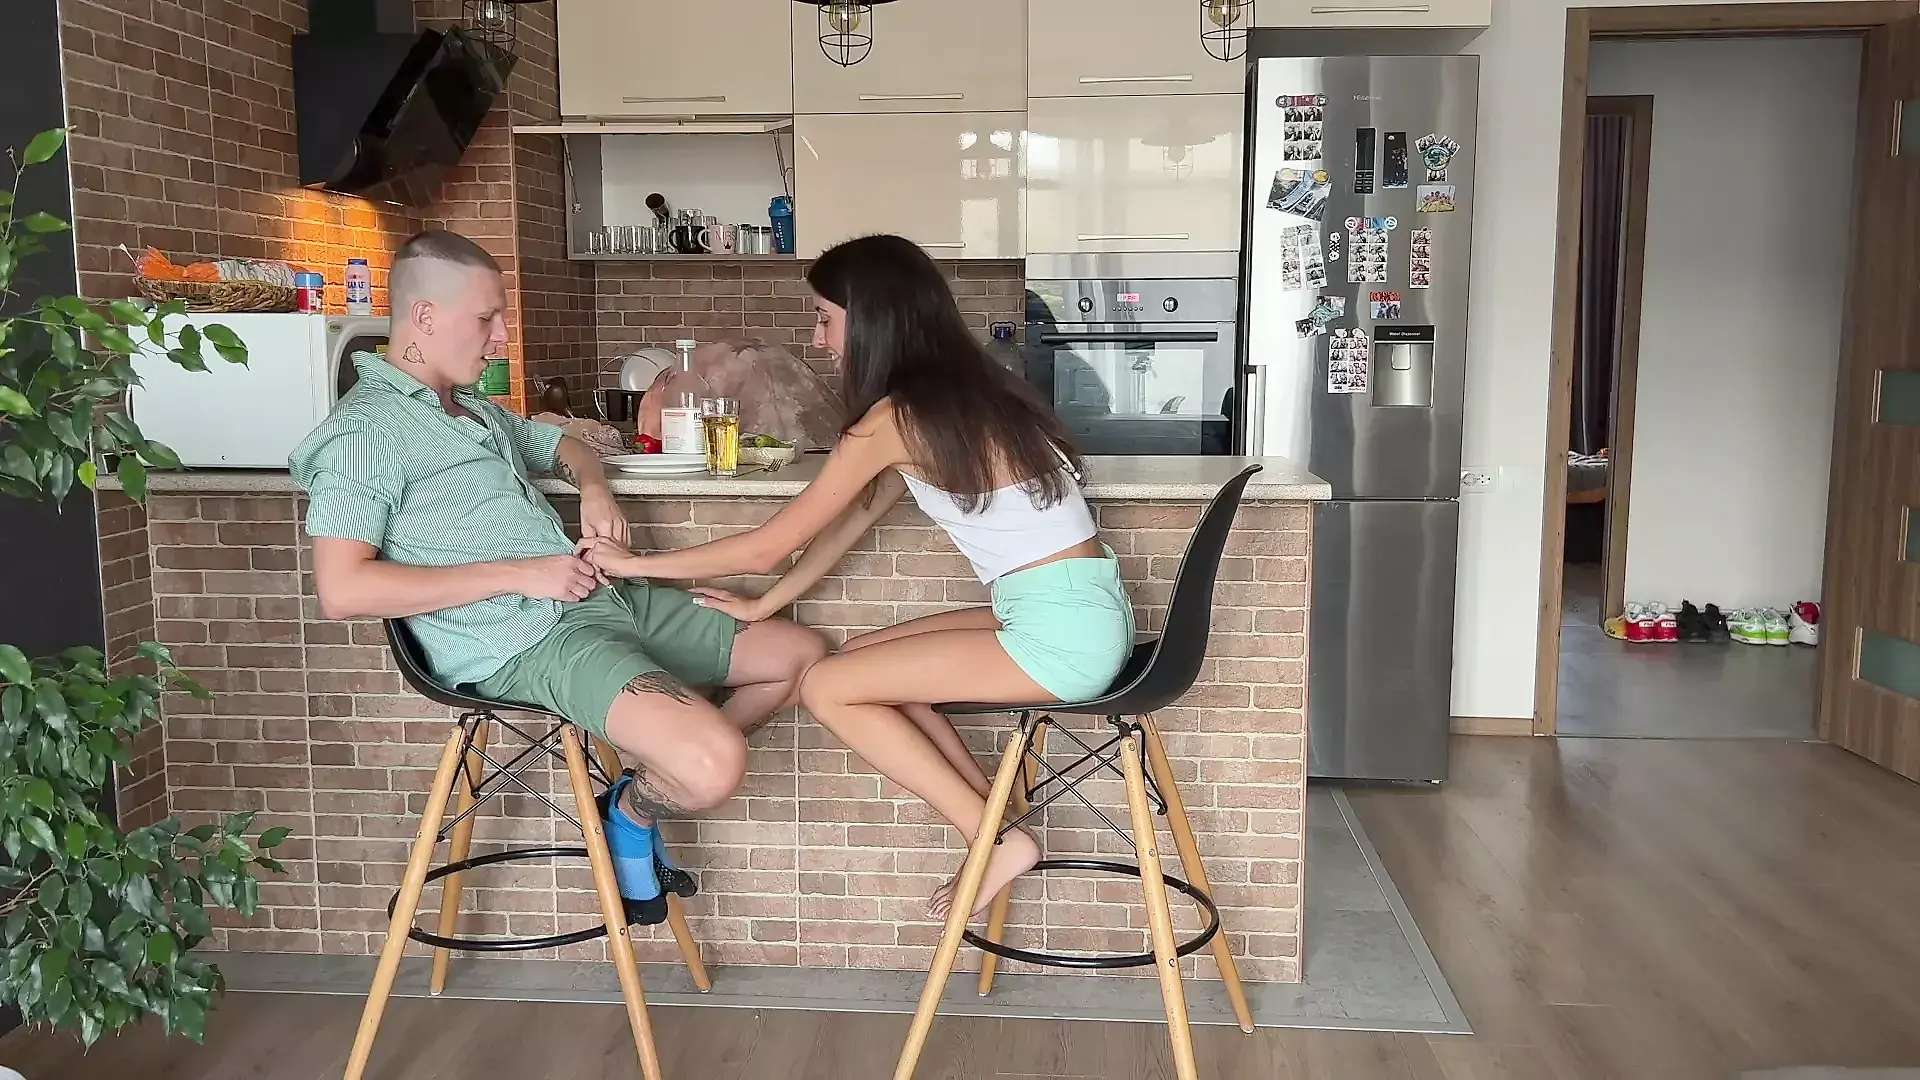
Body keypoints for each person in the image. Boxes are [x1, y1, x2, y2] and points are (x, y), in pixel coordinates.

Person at [577, 234, 1135, 920]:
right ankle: (995, 823)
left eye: (825, 318)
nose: (818, 339)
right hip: (1079, 610)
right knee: (862, 663)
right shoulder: (966, 396)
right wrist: (770, 603)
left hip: (1061, 635)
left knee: (828, 687)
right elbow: (856, 517)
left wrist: (635, 564)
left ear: (871, 322)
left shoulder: (897, 418)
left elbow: (766, 547)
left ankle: (992, 839)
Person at [291, 229, 827, 912]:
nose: (501, 338)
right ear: (424, 316)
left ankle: (641, 789)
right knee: (713, 762)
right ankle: (635, 808)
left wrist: (596, 489)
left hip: (602, 599)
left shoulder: (470, 410)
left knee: (801, 656)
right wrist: (518, 573)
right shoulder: (365, 433)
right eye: (487, 318)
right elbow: (342, 590)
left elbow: (568, 446)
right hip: (527, 641)